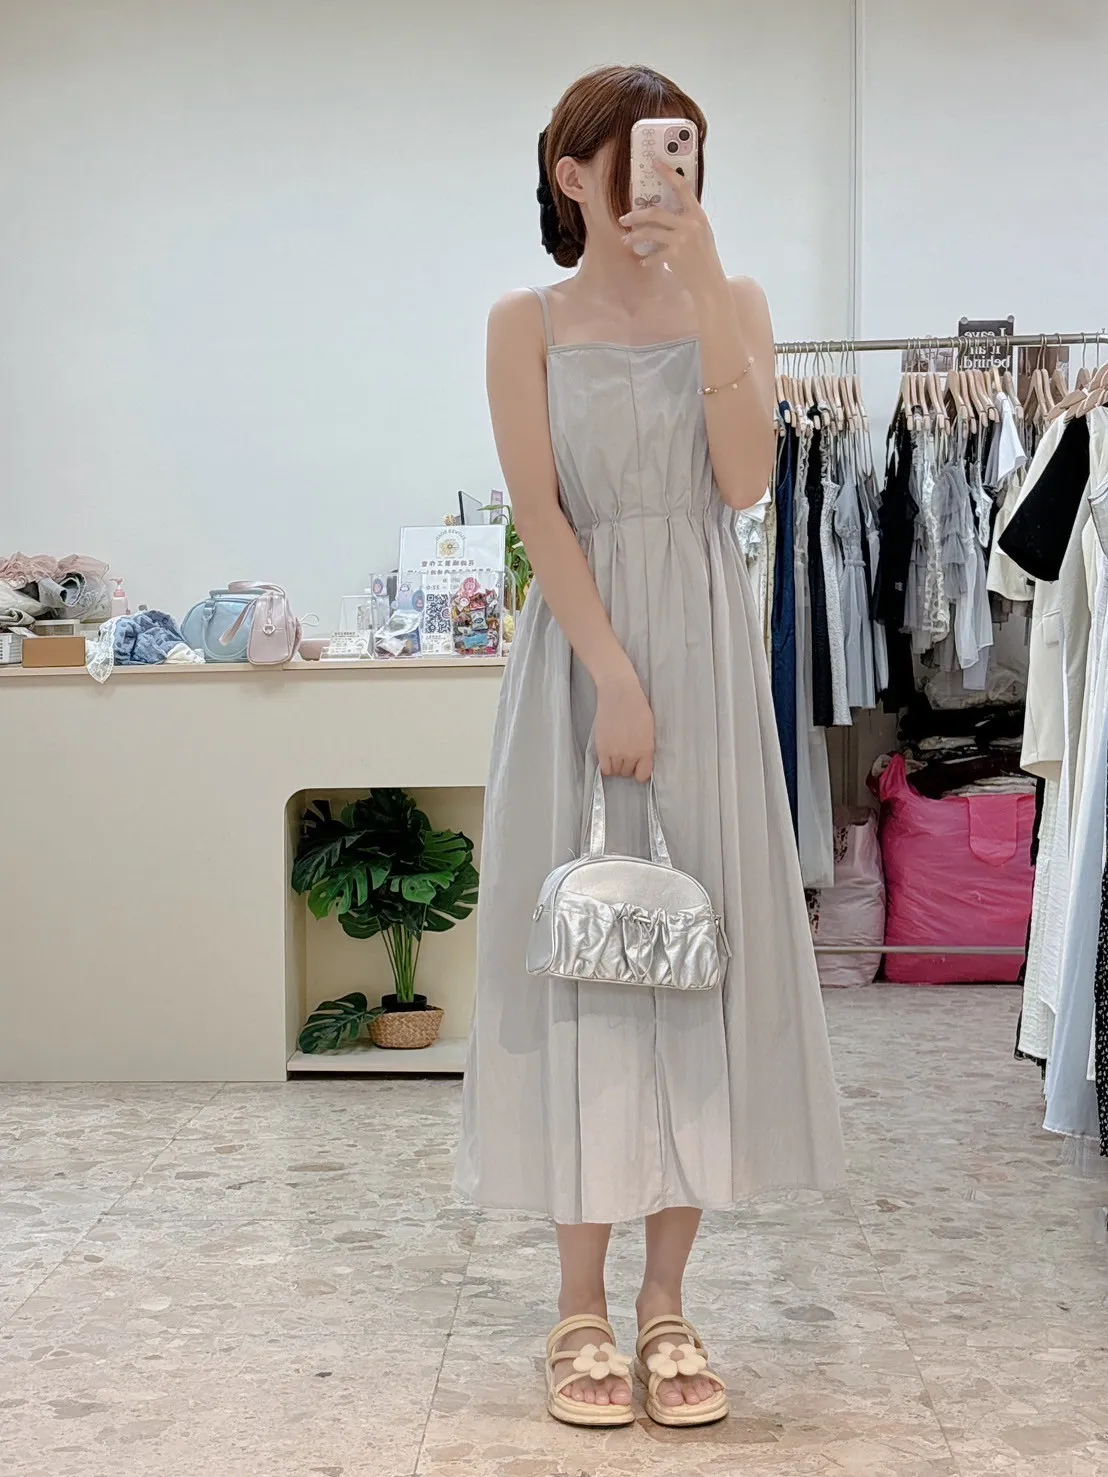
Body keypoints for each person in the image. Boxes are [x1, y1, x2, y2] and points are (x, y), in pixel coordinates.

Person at [455, 63, 846, 1429]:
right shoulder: (526, 321)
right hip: (581, 662)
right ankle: (577, 1307)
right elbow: (539, 515)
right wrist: (614, 675)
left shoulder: (733, 303)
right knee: (588, 960)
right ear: (570, 173)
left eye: (680, 154)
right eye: (632, 156)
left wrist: (709, 270)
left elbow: (744, 479)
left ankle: (668, 1302)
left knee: (696, 959)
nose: (659, 179)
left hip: (709, 661)